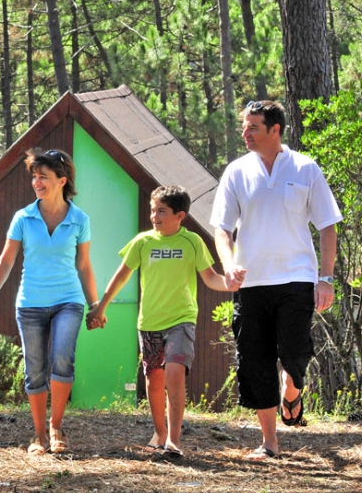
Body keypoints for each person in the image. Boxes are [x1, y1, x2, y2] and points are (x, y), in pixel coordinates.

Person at [210, 101, 341, 460]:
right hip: (251, 283)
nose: (245, 132)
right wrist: (229, 264)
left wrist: (325, 279)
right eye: (243, 125)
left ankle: (293, 388)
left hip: (297, 277)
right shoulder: (236, 172)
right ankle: (269, 442)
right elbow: (221, 228)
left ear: (275, 129)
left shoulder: (305, 167)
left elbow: (327, 224)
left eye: (253, 126)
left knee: (294, 351)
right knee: (255, 359)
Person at [87, 185, 238, 457]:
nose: (154, 216)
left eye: (161, 211)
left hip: (182, 319)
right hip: (149, 322)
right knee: (154, 380)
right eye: (152, 210)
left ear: (180, 216)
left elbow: (211, 278)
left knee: (175, 374)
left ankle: (174, 441)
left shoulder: (192, 242)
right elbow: (122, 275)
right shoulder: (143, 242)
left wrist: (232, 284)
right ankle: (159, 432)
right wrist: (101, 307)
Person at [0, 149, 98, 455]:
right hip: (30, 302)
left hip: (68, 301)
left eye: (43, 176)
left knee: (62, 358)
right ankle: (38, 435)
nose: (36, 182)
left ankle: (56, 426)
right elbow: (6, 261)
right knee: (34, 369)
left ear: (62, 180)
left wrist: (95, 304)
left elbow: (84, 266)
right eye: (34, 176)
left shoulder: (79, 219)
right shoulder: (23, 217)